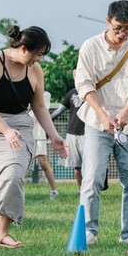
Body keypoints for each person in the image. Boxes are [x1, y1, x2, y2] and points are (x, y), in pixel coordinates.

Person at [0, 25, 67, 249]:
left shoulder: (35, 70)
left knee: (13, 174)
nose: (39, 58)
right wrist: (5, 130)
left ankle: (2, 233)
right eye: (37, 53)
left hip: (18, 125)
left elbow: (39, 105)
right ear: (22, 48)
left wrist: (54, 136)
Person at [76, 0, 128, 245]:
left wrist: (125, 113)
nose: (123, 34)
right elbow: (84, 84)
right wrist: (104, 115)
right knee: (92, 178)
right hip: (96, 122)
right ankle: (89, 231)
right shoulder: (90, 47)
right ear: (108, 21)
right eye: (118, 28)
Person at [51, 64, 85, 192]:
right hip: (72, 133)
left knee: (89, 165)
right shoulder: (71, 93)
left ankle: (90, 189)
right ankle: (81, 190)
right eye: (74, 75)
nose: (77, 78)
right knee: (77, 166)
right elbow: (59, 111)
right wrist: (45, 120)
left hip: (87, 134)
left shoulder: (91, 92)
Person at [31, 90, 58, 200]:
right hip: (25, 133)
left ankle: (54, 191)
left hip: (39, 133)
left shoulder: (45, 95)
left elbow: (41, 112)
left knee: (43, 163)